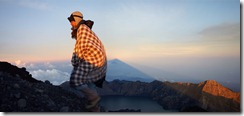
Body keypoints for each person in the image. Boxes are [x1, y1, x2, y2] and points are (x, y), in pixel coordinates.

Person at [67, 11, 107, 112]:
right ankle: (95, 109)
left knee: (75, 80)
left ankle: (93, 97)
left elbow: (80, 48)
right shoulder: (85, 29)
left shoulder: (82, 29)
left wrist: (75, 61)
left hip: (92, 58)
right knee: (90, 82)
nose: (70, 23)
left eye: (71, 21)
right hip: (99, 58)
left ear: (76, 20)